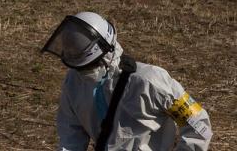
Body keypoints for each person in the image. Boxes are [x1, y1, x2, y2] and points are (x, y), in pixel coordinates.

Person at [42, 12, 212, 150]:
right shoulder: (74, 82)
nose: (82, 72)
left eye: (88, 66)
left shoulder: (149, 80)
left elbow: (198, 124)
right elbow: (70, 138)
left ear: (105, 54)